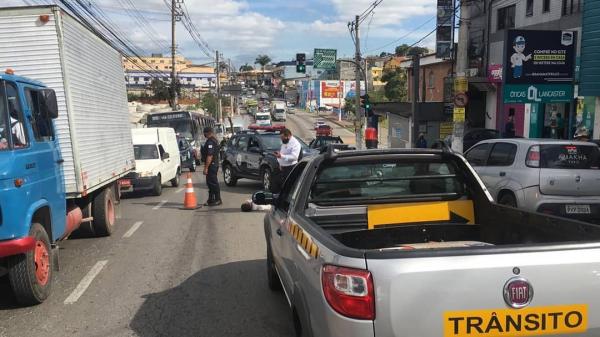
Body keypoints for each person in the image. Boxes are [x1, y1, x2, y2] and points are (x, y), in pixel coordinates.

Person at [274, 128, 301, 192]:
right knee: (277, 185)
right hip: (282, 168)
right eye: (281, 137)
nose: (281, 139)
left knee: (288, 187)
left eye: (283, 137)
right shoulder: (285, 142)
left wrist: (281, 156)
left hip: (290, 168)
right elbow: (283, 152)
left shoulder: (295, 143)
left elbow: (294, 157)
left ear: (288, 136)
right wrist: (280, 163)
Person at [201, 127, 222, 206]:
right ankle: (211, 199)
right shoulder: (214, 140)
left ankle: (217, 199)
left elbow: (209, 155)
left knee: (213, 183)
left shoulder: (210, 142)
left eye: (204, 133)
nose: (204, 134)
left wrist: (206, 168)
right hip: (213, 164)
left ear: (207, 133)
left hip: (212, 165)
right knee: (209, 183)